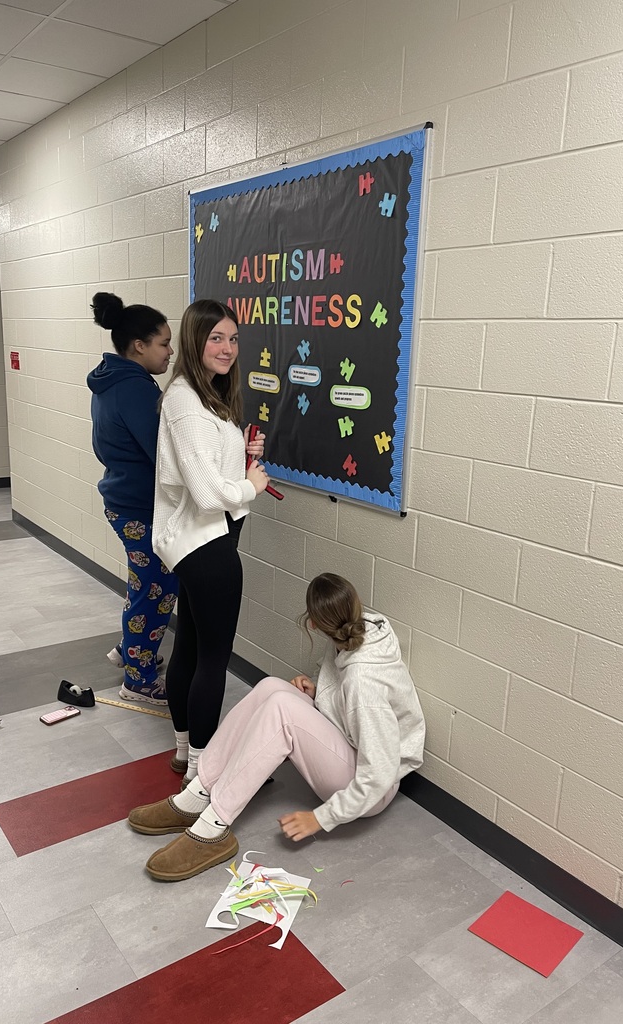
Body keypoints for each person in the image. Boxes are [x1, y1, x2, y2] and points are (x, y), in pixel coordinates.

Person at [127, 572, 426, 882]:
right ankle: (199, 793)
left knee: (282, 710)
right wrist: (317, 690)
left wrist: (321, 818)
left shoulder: (365, 684)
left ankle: (214, 826)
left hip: (371, 789)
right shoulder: (350, 631)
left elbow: (378, 772)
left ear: (313, 623)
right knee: (272, 687)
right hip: (353, 751)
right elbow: (341, 689)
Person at [152, 299, 267, 782]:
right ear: (194, 340)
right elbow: (205, 494)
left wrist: (241, 456)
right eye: (215, 337)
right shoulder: (185, 402)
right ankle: (202, 772)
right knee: (211, 660)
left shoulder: (203, 397)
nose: (227, 348)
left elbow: (203, 468)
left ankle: (184, 753)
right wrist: (251, 486)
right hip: (207, 547)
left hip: (202, 544)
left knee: (192, 650)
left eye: (233, 338)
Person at [87, 292, 179, 705]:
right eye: (163, 343)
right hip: (140, 507)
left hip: (123, 500)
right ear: (139, 346)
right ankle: (138, 681)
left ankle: (130, 650)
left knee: (145, 585)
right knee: (156, 589)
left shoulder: (112, 380)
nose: (171, 352)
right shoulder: (137, 391)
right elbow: (164, 456)